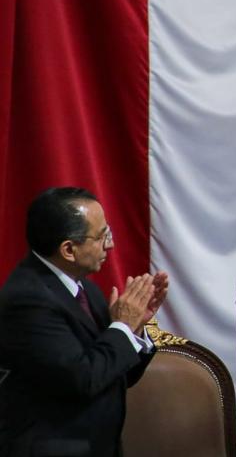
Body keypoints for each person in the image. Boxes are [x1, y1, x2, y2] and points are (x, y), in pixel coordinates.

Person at [0, 187, 169, 457]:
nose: (110, 245)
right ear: (69, 249)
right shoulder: (28, 300)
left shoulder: (84, 289)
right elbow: (83, 379)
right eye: (102, 236)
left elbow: (114, 374)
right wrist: (121, 327)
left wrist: (135, 328)